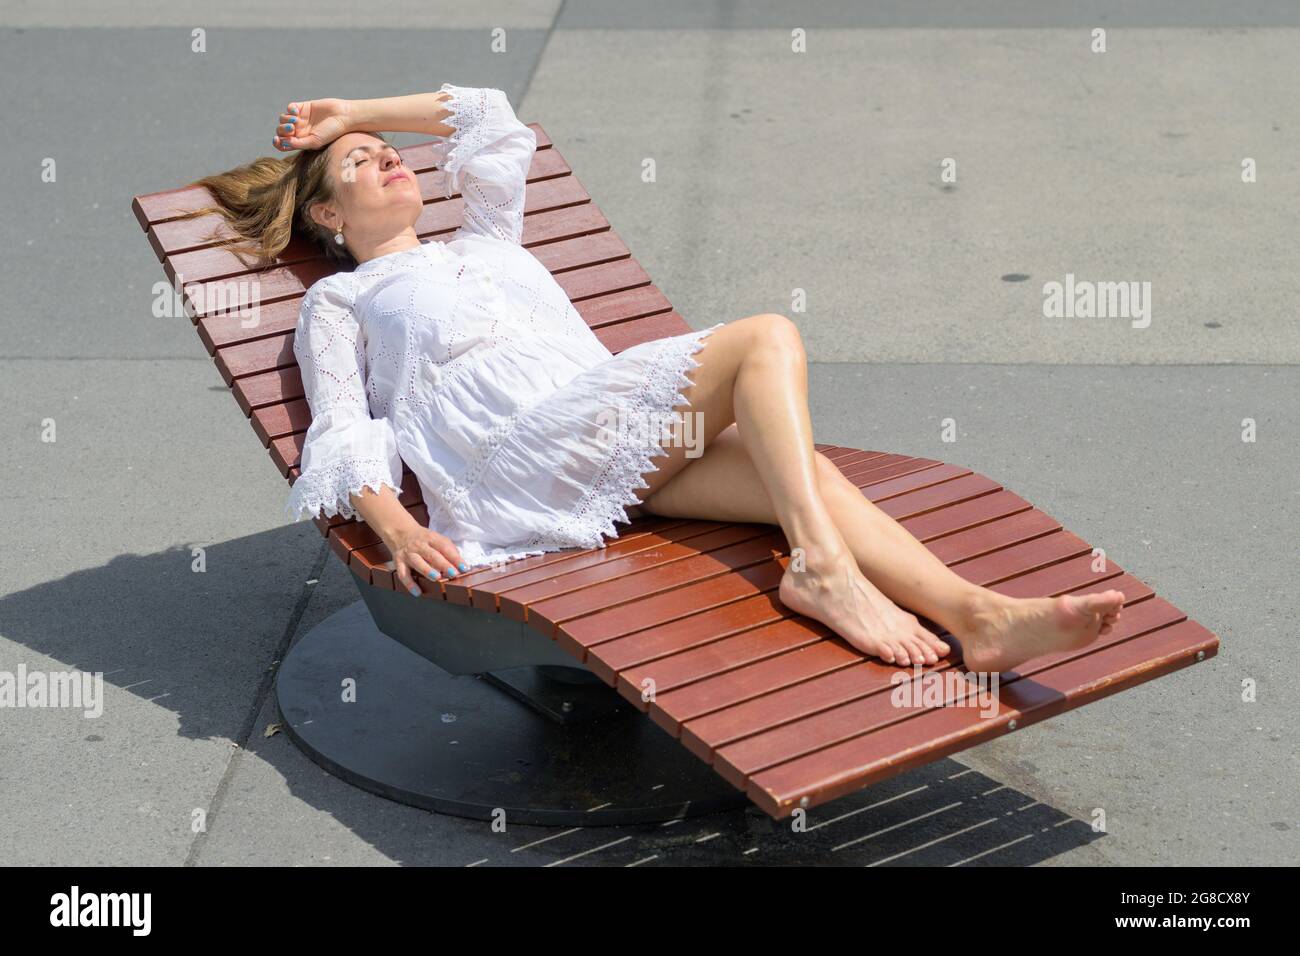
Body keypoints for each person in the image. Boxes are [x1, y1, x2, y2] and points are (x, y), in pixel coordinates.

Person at [182, 82, 1123, 673]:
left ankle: (979, 616)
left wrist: (354, 112)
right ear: (330, 219)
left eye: (391, 152)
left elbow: (491, 118)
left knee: (803, 473)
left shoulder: (487, 237)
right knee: (764, 339)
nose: (390, 158)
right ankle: (826, 571)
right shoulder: (341, 303)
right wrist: (388, 520)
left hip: (612, 445)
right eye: (360, 162)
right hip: (526, 456)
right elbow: (341, 425)